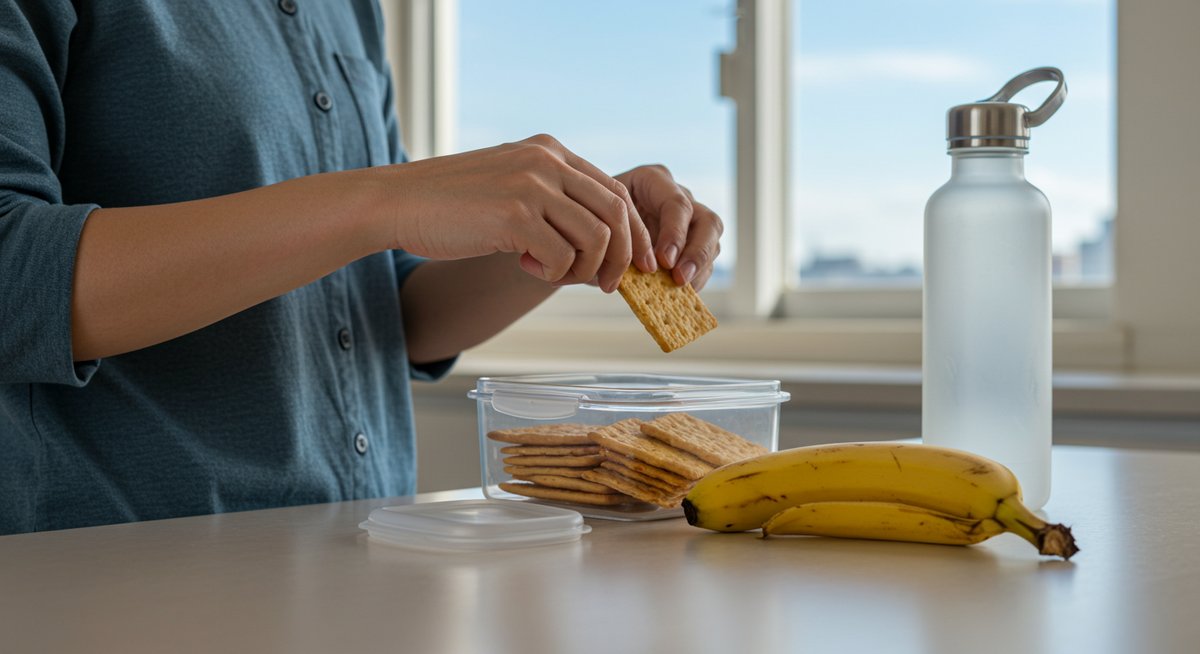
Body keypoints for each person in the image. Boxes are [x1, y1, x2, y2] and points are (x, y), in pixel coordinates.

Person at [0, 1, 722, 534]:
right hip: (117, 576)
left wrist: (577, 224)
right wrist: (384, 199)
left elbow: (387, 311)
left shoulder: (347, 10)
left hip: (366, 559)